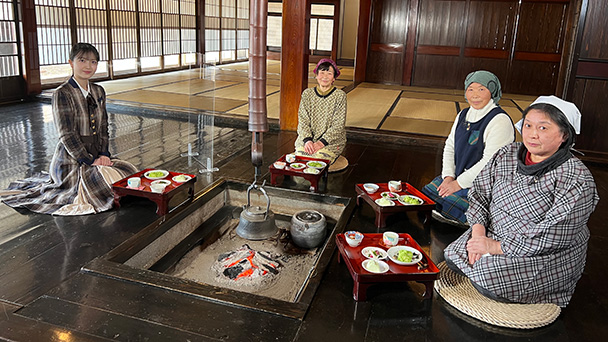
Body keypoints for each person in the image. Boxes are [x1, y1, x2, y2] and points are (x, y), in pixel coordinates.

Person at [443, 96, 599, 307]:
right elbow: (479, 193)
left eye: (543, 128)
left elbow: (555, 234)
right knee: (452, 255)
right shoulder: (507, 153)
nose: (533, 134)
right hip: (495, 231)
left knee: (488, 278)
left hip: (540, 250)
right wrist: (479, 234)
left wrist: (495, 247)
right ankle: (486, 259)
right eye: (528, 125)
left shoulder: (576, 177)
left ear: (564, 135)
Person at [1, 43, 138, 215]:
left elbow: (103, 127)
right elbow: (67, 134)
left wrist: (103, 154)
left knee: (129, 174)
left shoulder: (98, 91)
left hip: (96, 153)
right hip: (71, 159)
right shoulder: (62, 93)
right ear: (71, 62)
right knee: (104, 188)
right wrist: (89, 160)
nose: (88, 66)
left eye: (94, 62)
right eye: (82, 60)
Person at [422, 70, 514, 225]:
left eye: (481, 89)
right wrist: (448, 177)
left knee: (445, 202)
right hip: (459, 177)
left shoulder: (500, 120)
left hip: (483, 185)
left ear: (493, 92)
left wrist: (458, 184)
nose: (475, 95)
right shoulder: (463, 115)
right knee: (427, 193)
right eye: (470, 89)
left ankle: (473, 216)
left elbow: (489, 162)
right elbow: (450, 146)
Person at [294, 58, 347, 164]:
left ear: (334, 78)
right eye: (322, 73)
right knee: (301, 159)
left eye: (329, 73)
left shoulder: (340, 95)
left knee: (319, 160)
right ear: (316, 75)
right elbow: (303, 119)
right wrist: (308, 140)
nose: (325, 77)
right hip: (309, 139)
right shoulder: (307, 94)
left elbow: (339, 124)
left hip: (330, 141)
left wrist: (321, 143)